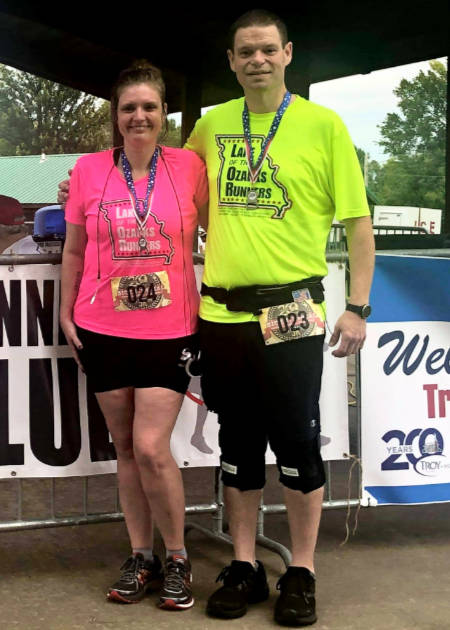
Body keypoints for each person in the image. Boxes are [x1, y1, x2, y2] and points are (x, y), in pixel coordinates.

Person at [184, 9, 375, 627]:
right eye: (246, 51)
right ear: (231, 61)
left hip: (291, 312)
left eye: (268, 49)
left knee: (296, 442)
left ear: (288, 53)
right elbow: (176, 191)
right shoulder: (211, 125)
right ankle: (244, 564)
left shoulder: (323, 126)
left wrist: (357, 306)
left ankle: (302, 569)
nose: (257, 60)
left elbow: (358, 223)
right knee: (237, 444)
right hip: (223, 313)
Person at [60, 60, 208, 611]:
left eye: (149, 106)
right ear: (116, 115)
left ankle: (178, 557)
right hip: (102, 326)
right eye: (129, 108)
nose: (139, 116)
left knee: (150, 446)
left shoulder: (190, 167)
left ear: (164, 113)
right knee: (124, 447)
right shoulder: (88, 169)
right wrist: (66, 313)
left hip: (170, 330)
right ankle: (141, 555)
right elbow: (74, 249)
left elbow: (225, 230)